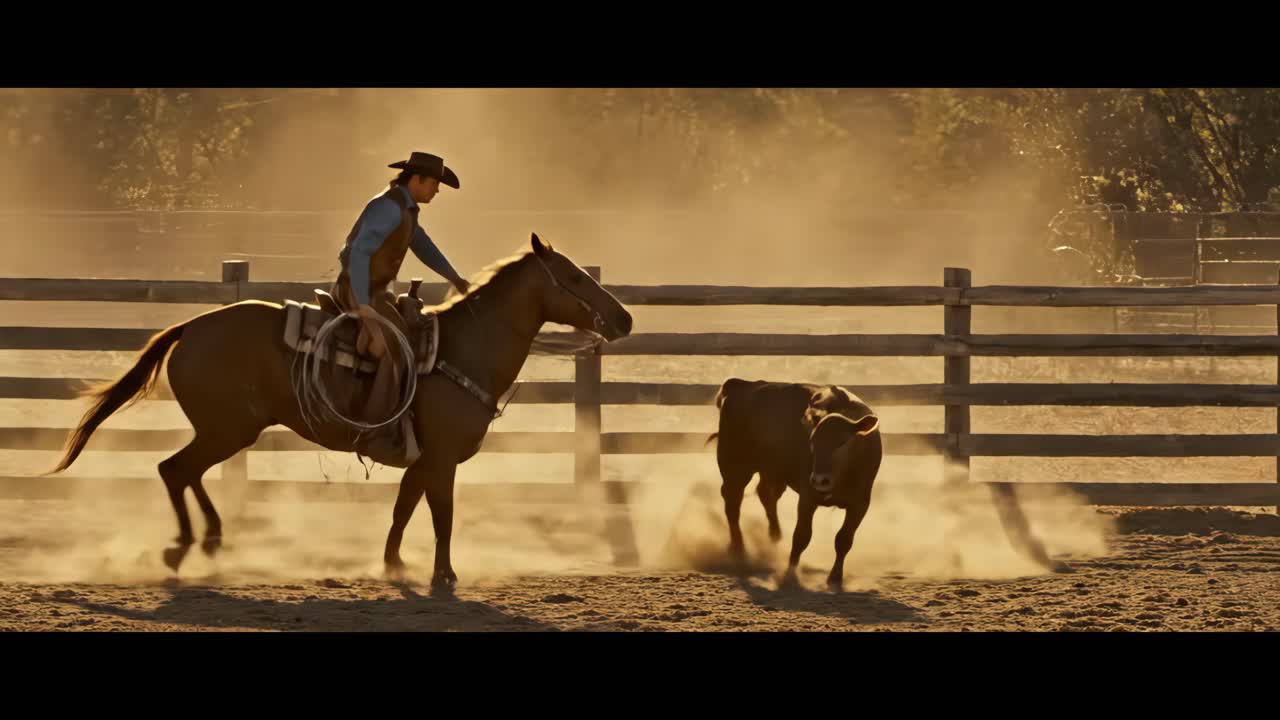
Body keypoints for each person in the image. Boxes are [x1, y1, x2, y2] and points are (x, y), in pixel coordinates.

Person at [332, 151, 471, 426]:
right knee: (393, 348)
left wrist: (454, 278)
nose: (437, 189)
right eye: (434, 182)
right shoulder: (389, 208)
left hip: (374, 293)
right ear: (417, 180)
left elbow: (424, 247)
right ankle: (373, 424)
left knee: (407, 339)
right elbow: (359, 253)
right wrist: (363, 304)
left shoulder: (403, 210)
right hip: (358, 291)